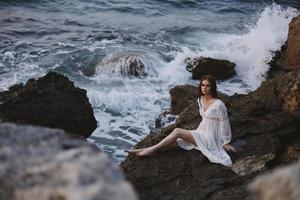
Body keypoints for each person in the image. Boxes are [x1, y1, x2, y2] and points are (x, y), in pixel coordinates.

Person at [126, 75, 236, 167]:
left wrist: (226, 141)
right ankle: (147, 149)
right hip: (201, 132)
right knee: (175, 142)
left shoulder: (219, 104)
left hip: (211, 138)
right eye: (203, 85)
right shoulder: (200, 100)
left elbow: (224, 123)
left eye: (208, 86)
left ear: (212, 88)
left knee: (177, 132)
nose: (204, 88)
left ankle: (150, 150)